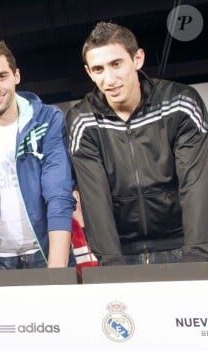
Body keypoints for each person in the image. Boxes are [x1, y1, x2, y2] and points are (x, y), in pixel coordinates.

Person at [67, 22, 208, 265]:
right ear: (89, 72)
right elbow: (95, 196)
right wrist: (111, 263)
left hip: (180, 244)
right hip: (122, 251)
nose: (109, 79)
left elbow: (195, 182)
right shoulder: (83, 119)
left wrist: (196, 253)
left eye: (116, 64)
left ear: (138, 59)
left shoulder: (180, 103)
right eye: (98, 69)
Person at [0, 38, 75, 271]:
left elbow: (58, 193)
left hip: (47, 252)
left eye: (2, 76)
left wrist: (57, 269)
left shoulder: (48, 119)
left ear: (16, 76)